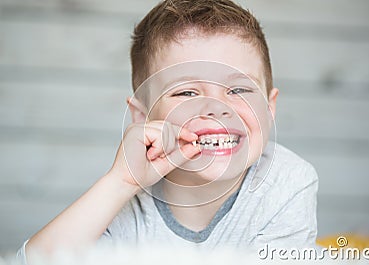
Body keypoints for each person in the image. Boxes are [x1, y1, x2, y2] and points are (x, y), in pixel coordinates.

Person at [18, 0, 318, 263]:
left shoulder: (287, 182)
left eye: (238, 89)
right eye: (186, 93)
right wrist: (120, 182)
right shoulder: (127, 200)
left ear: (269, 107)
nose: (215, 108)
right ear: (142, 116)